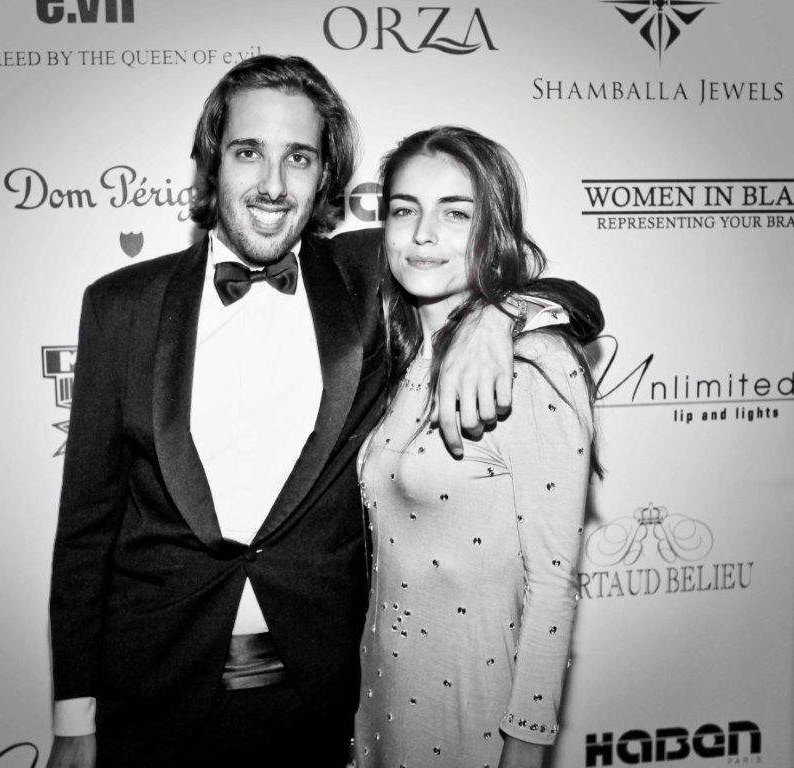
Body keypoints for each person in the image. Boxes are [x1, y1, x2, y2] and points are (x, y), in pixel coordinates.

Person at [46, 57, 603, 768]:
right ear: (212, 163)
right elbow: (86, 525)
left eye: (299, 158)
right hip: (151, 695)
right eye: (248, 152)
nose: (274, 185)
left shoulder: (368, 274)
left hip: (320, 700)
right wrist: (73, 715)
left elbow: (524, 270)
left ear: (325, 177)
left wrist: (501, 317)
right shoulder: (120, 305)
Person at [354, 126, 600, 768]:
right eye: (404, 210)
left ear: (494, 229)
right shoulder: (401, 353)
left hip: (474, 707)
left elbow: (554, 584)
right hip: (383, 698)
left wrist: (526, 746)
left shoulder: (534, 365)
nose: (423, 234)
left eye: (455, 213)